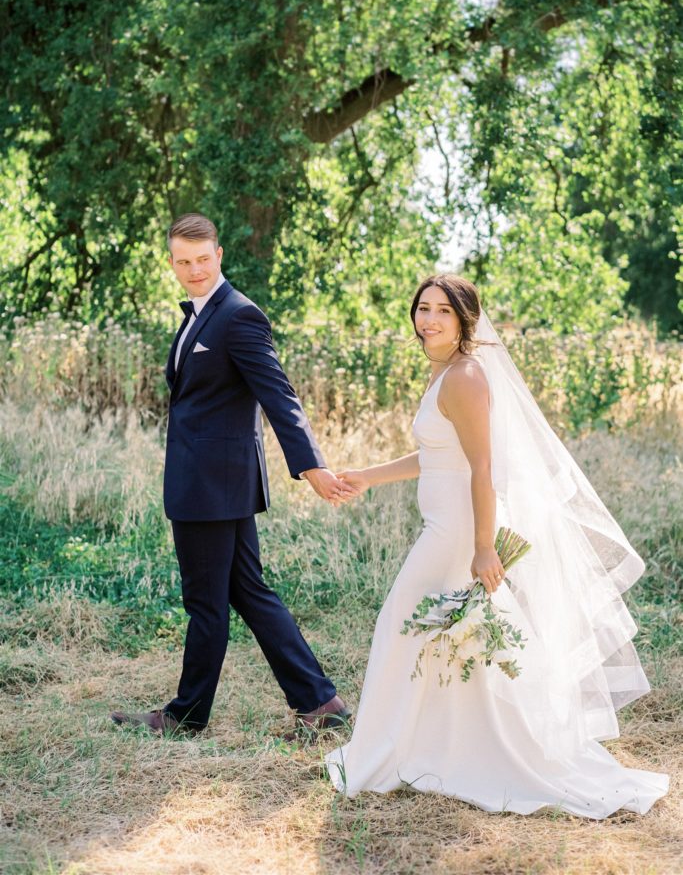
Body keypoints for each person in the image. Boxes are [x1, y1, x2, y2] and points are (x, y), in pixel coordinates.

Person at [326, 274, 668, 817]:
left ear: (465, 320)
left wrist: (483, 547)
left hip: (458, 530)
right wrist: (368, 475)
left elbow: (483, 468)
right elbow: (438, 457)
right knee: (456, 639)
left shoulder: (464, 377)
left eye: (443, 311)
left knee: (405, 624)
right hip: (446, 524)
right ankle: (436, 746)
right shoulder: (445, 374)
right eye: (423, 308)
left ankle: (392, 752)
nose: (429, 319)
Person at [112, 212, 353, 736]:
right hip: (213, 480)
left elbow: (278, 394)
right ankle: (320, 704)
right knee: (248, 590)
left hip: (213, 487)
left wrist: (311, 466)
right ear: (172, 262)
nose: (194, 269)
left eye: (202, 259)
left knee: (205, 602)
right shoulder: (201, 313)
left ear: (219, 254)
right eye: (183, 261)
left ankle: (185, 717)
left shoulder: (238, 314)